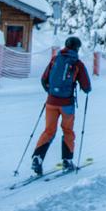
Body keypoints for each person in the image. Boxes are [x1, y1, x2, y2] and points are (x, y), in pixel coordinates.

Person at [31, 36, 91, 175]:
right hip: (67, 105)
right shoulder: (77, 63)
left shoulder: (55, 59)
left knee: (49, 131)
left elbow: (43, 79)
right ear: (76, 48)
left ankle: (37, 157)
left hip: (51, 102)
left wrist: (51, 93)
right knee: (68, 131)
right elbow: (87, 86)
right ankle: (67, 161)